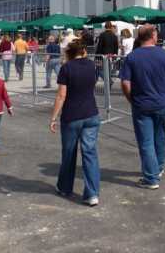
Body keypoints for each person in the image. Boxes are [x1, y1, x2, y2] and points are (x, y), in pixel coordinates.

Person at [119, 26, 165, 189]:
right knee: (159, 137)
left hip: (141, 103)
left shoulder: (132, 57)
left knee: (146, 141)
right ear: (153, 36)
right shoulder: (164, 54)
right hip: (160, 102)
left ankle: (151, 177)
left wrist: (130, 98)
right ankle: (158, 168)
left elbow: (125, 83)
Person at [49, 41, 101, 206]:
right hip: (91, 113)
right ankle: (92, 194)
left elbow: (61, 96)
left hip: (72, 115)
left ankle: (65, 187)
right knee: (90, 154)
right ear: (84, 50)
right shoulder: (91, 65)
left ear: (69, 53)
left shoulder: (67, 68)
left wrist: (53, 117)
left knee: (69, 153)